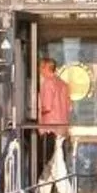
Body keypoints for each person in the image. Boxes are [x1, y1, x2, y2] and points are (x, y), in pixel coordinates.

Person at [35, 55, 70, 185]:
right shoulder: (63, 84)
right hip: (62, 127)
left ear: (46, 68)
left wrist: (36, 110)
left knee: (45, 160)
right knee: (58, 161)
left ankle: (40, 190)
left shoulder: (48, 83)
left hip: (49, 128)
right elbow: (68, 107)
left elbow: (46, 106)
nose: (39, 70)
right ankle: (58, 190)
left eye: (40, 67)